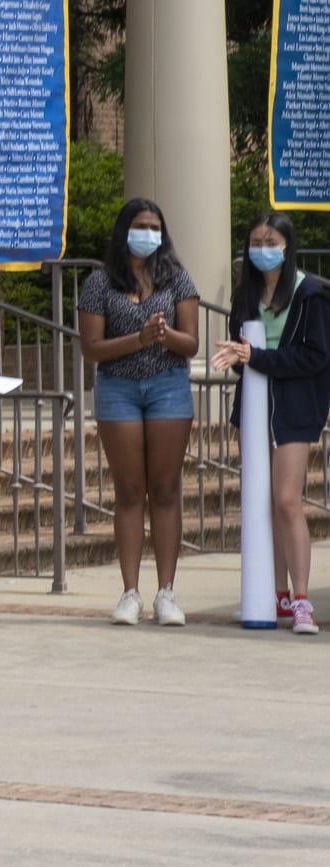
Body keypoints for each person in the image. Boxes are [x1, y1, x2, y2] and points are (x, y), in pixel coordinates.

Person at [80, 199, 201, 627]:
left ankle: (166, 593)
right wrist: (139, 337)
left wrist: (163, 337)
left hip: (168, 386)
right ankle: (129, 593)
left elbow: (192, 344)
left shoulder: (177, 278)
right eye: (139, 225)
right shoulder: (100, 281)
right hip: (118, 389)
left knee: (165, 488)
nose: (147, 232)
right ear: (123, 230)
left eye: (154, 225)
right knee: (130, 490)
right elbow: (90, 348)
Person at [213, 212, 330, 634]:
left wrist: (256, 358)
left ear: (287, 245)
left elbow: (314, 357)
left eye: (271, 241)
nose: (263, 249)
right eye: (256, 242)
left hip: (295, 409)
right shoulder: (245, 295)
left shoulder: (310, 294)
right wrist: (235, 357)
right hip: (254, 405)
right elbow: (243, 354)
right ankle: (273, 593)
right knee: (259, 500)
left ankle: (301, 599)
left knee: (285, 500)